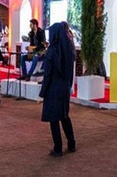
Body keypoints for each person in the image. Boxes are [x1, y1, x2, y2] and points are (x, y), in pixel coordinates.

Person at [39, 22, 76, 157]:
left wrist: (43, 92)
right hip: (64, 87)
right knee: (64, 116)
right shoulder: (68, 50)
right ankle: (71, 144)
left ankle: (58, 148)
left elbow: (48, 75)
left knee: (54, 119)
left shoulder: (52, 51)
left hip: (53, 89)